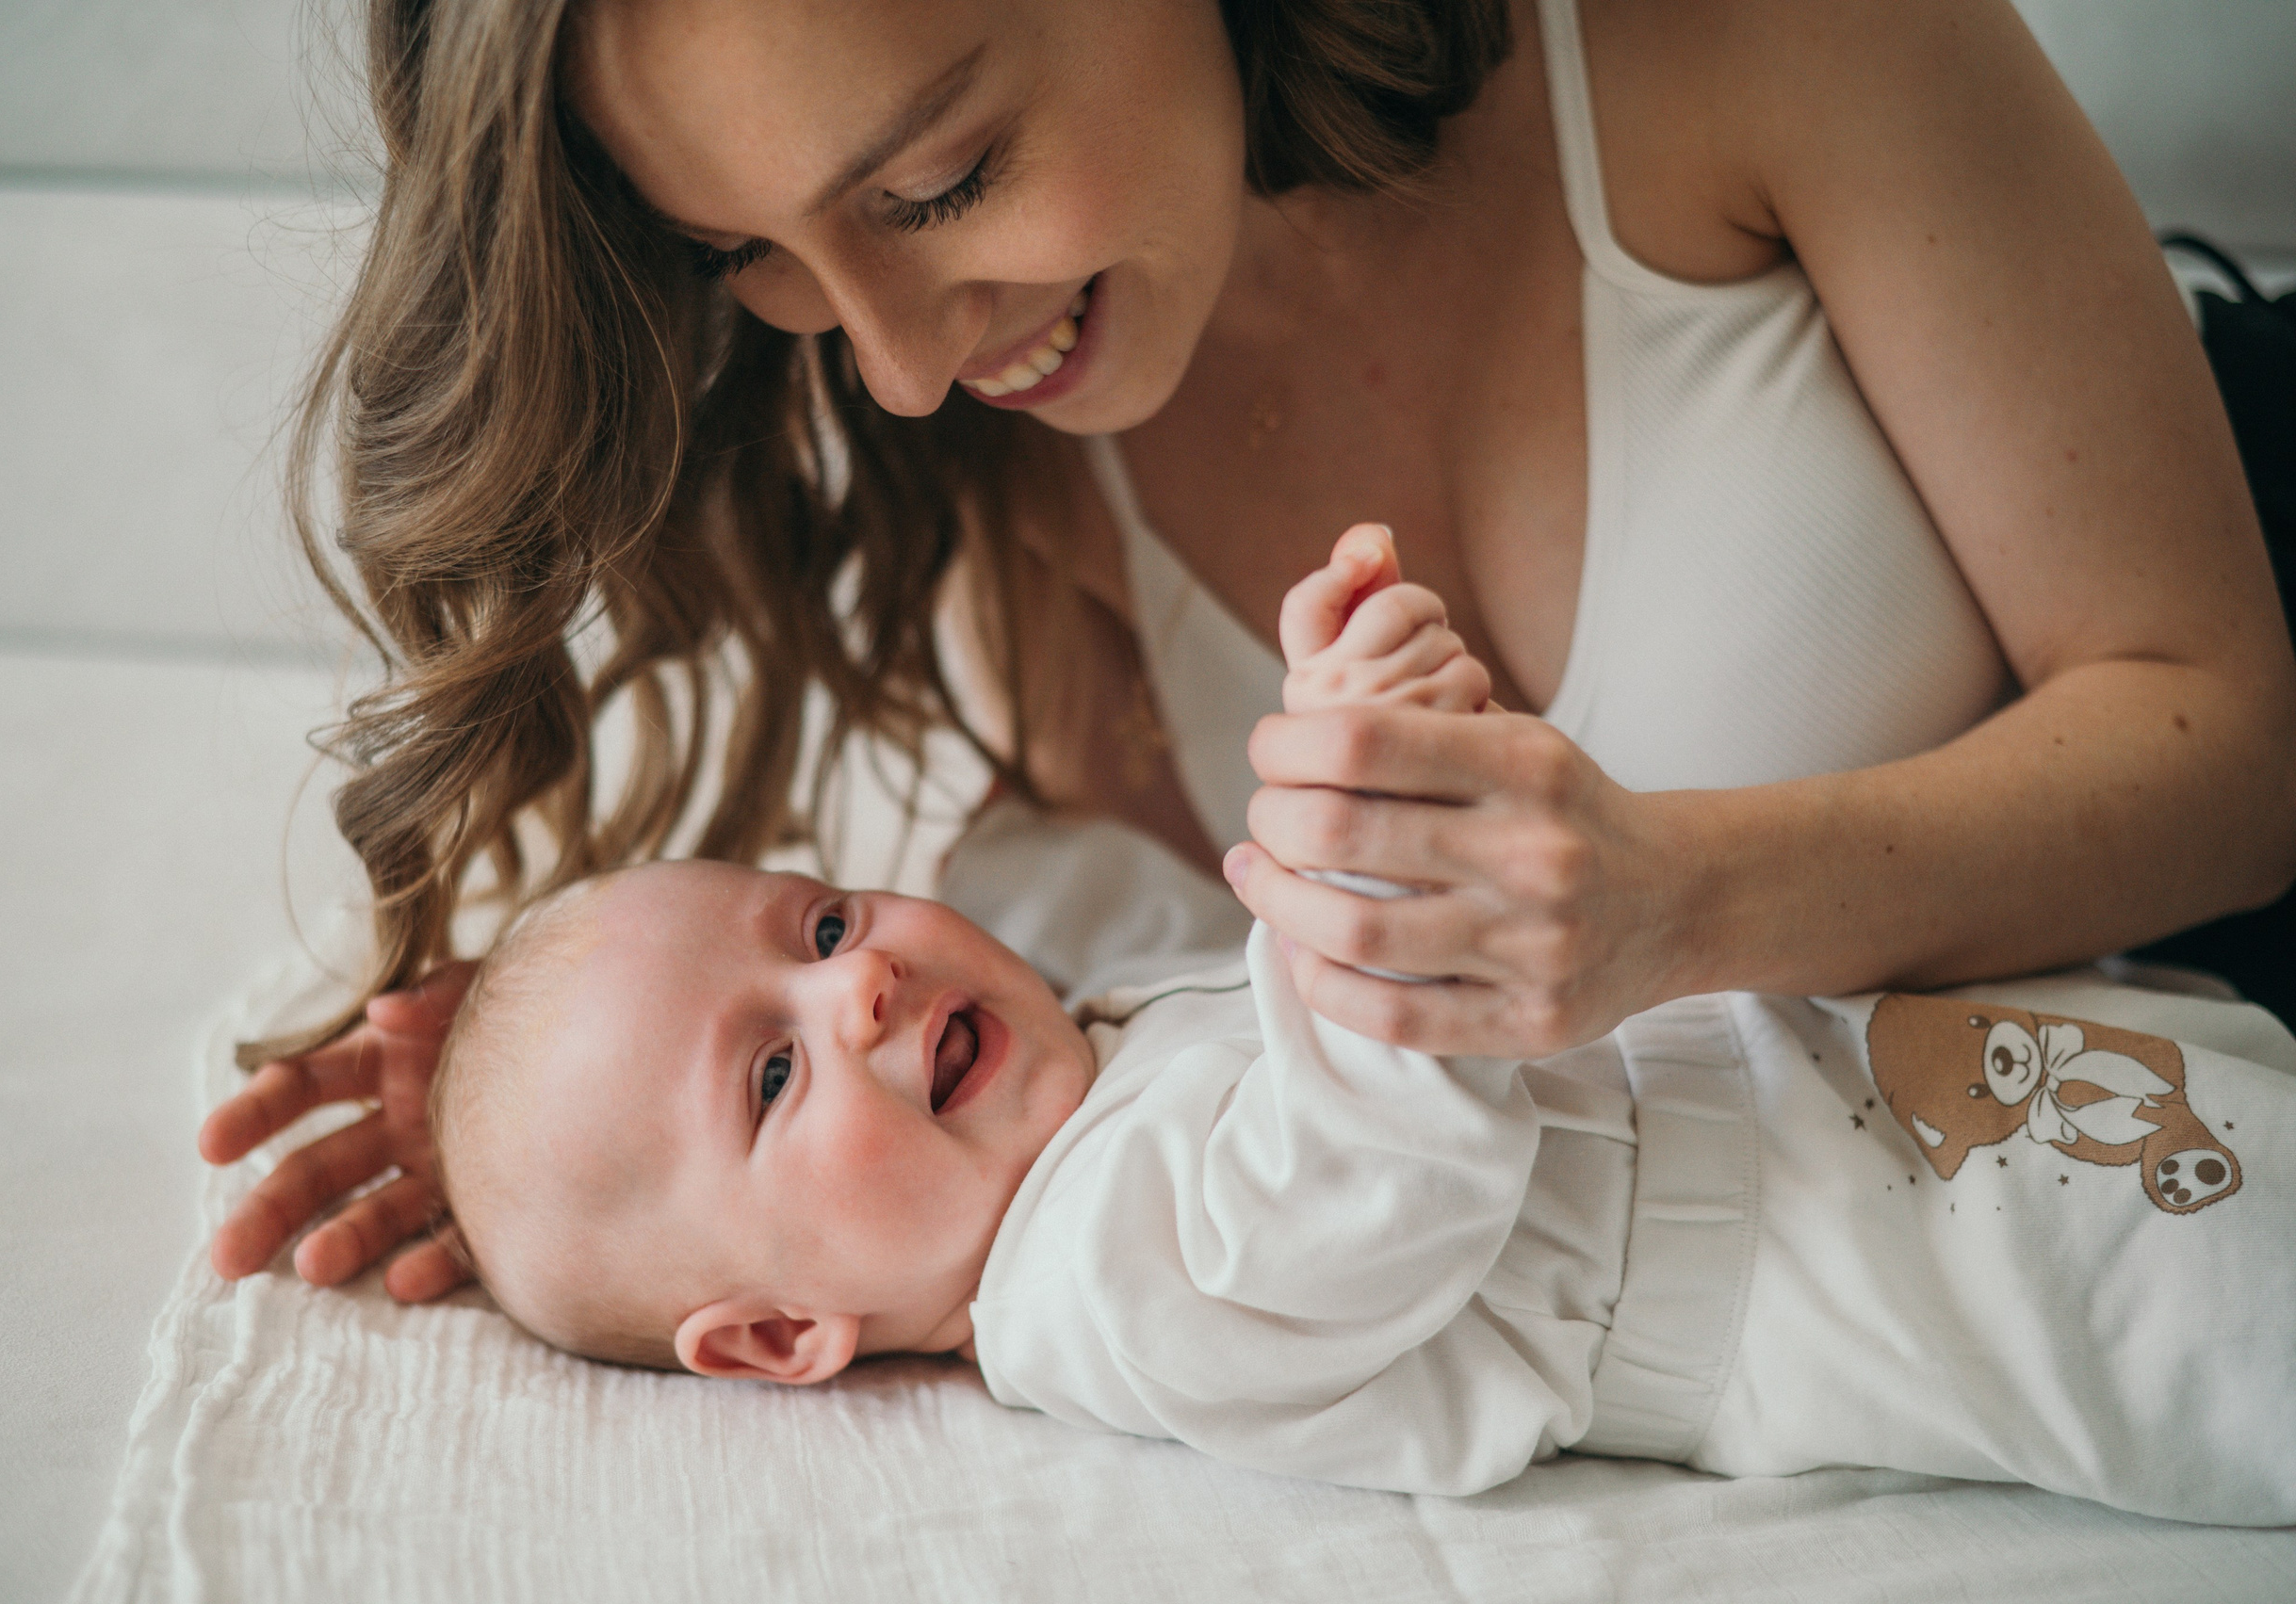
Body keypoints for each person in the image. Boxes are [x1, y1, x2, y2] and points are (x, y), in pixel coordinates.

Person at [200, 0, 2296, 1306]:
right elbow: (1127, 1018)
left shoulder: (1746, 40)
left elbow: (2230, 755)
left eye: (940, 180)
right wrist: (594, 1149)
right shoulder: (1007, 448)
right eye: (752, 255)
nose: (902, 369)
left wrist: (1678, 904)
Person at [411, 540, 2296, 1524]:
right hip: (1839, 1282)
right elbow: (1376, 1175)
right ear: (777, 1335)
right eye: (770, 1070)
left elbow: (1081, 884)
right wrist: (1359, 806)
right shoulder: (1091, 1299)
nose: (861, 984)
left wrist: (1332, 744)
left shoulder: (1067, 1071)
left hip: (1868, 1072)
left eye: (819, 922)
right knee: (2214, 1333)